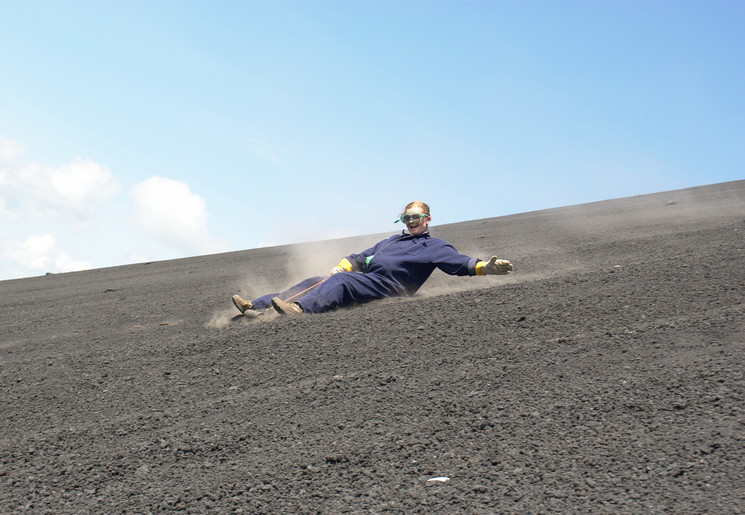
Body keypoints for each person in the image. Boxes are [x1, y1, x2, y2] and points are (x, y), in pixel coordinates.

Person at [232, 201, 513, 316]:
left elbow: (458, 264)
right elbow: (361, 257)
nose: (411, 221)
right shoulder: (391, 241)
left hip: (391, 288)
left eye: (416, 217)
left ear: (427, 219)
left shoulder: (434, 245)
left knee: (341, 282)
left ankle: (300, 310)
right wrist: (343, 264)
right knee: (317, 279)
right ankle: (256, 306)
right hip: (369, 278)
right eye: (407, 217)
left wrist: (482, 268)